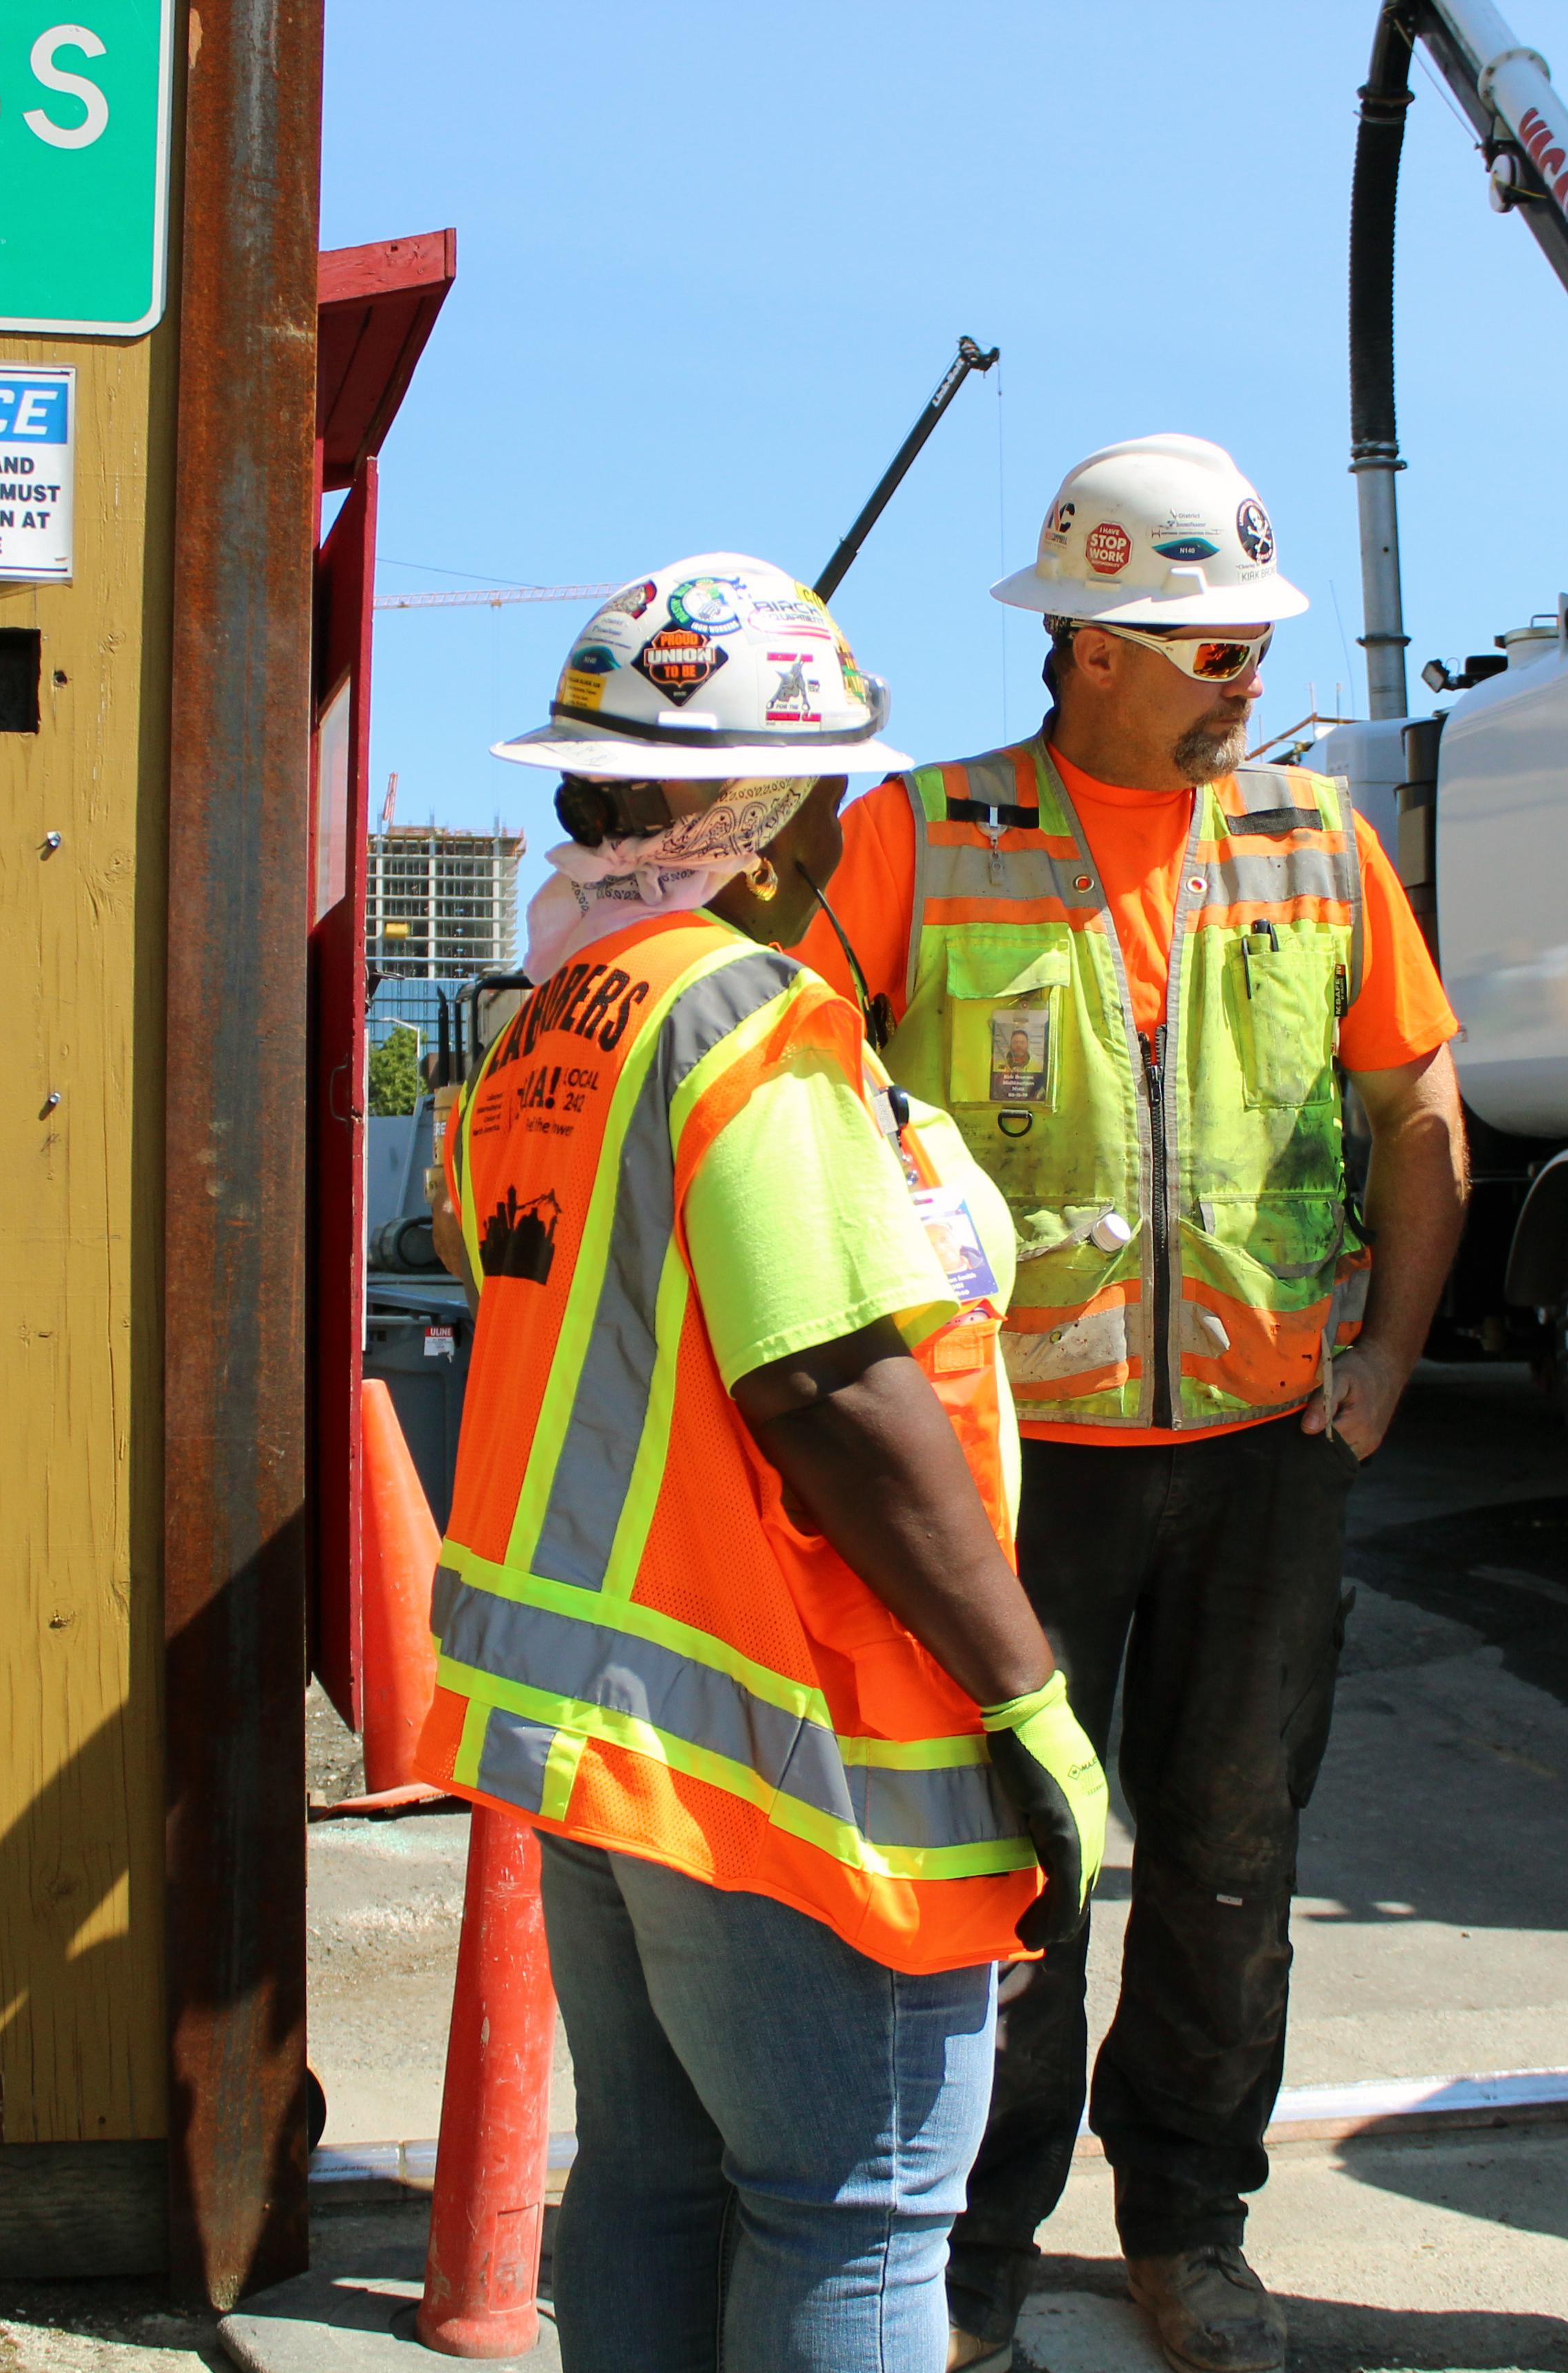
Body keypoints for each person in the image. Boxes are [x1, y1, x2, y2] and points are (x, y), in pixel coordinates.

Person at [787, 438, 1469, 2373]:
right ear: (1089, 645)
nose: (1249, 676)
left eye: (1255, 643)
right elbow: (805, 1121)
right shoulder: (922, 838)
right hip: (1013, 1472)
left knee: (1233, 1862)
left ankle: (1190, 2227)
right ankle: (969, 2259)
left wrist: (1396, 1360)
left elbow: (1420, 1109)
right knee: (1014, 1872)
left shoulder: (1318, 843)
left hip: (1263, 1460)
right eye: (1211, 648)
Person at [417, 553, 1114, 2372]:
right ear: (773, 809)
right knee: (856, 2210)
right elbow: (830, 1382)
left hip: (613, 1726)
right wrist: (1027, 1692)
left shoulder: (550, 1021)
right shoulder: (745, 1020)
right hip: (793, 1734)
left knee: (656, 2177)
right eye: (838, 788)